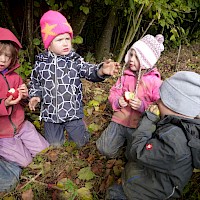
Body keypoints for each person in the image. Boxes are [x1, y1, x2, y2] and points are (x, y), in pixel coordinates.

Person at [28, 10, 120, 148]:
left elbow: (89, 70)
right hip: (50, 114)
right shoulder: (41, 64)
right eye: (59, 40)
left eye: (67, 39)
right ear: (49, 44)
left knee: (80, 143)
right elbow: (35, 83)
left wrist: (101, 70)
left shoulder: (74, 60)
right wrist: (35, 96)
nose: (65, 43)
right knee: (54, 145)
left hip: (72, 112)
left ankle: (82, 139)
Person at [106, 71, 200, 200]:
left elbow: (138, 151)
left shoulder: (174, 139)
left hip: (142, 193)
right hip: (147, 181)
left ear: (175, 106)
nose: (157, 101)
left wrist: (149, 119)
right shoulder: (181, 129)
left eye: (161, 99)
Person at [96, 34, 164, 158]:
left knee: (133, 156)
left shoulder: (155, 82)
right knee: (104, 148)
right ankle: (119, 145)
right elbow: (114, 93)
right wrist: (117, 101)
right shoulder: (125, 76)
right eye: (131, 55)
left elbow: (158, 106)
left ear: (147, 60)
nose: (131, 59)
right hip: (120, 119)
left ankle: (129, 151)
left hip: (139, 125)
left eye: (137, 57)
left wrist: (142, 106)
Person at [0, 27, 49, 192]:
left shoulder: (15, 77)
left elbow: (21, 102)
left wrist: (25, 96)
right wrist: (4, 104)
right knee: (26, 163)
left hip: (22, 126)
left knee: (45, 152)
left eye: (7, 56)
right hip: (4, 135)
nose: (2, 59)